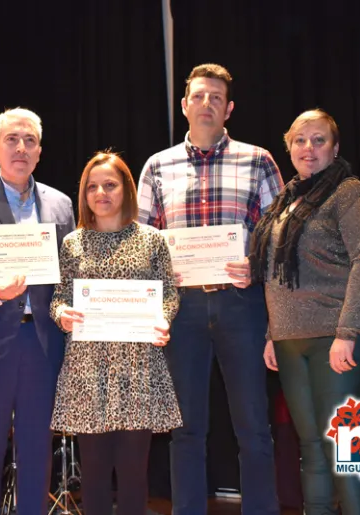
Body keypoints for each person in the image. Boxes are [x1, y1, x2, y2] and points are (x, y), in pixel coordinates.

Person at [137, 63, 283, 515]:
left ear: (229, 108)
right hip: (182, 311)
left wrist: (254, 264)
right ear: (184, 105)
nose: (206, 104)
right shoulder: (157, 166)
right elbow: (142, 242)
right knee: (185, 429)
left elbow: (280, 237)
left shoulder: (258, 159)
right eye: (198, 96)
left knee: (253, 426)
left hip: (242, 304)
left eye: (216, 98)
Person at [251, 109, 360, 515]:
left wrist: (347, 333)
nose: (309, 148)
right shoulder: (286, 201)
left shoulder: (349, 193)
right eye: (300, 140)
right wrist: (273, 332)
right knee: (310, 445)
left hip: (338, 337)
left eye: (319, 139)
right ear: (289, 147)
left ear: (335, 147)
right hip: (291, 340)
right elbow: (277, 272)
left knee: (349, 446)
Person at [0, 107, 76, 514]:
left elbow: (69, 277)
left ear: (40, 152)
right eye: (12, 140)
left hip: (42, 343)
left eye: (30, 141)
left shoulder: (60, 205)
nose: (21, 148)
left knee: (38, 451)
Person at [50, 152, 181, 515]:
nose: (101, 193)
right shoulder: (72, 243)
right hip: (88, 371)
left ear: (127, 188)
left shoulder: (152, 240)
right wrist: (62, 315)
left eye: (110, 185)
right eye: (92, 187)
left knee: (133, 474)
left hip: (137, 369)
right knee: (92, 474)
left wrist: (164, 321)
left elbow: (168, 295)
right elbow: (58, 298)